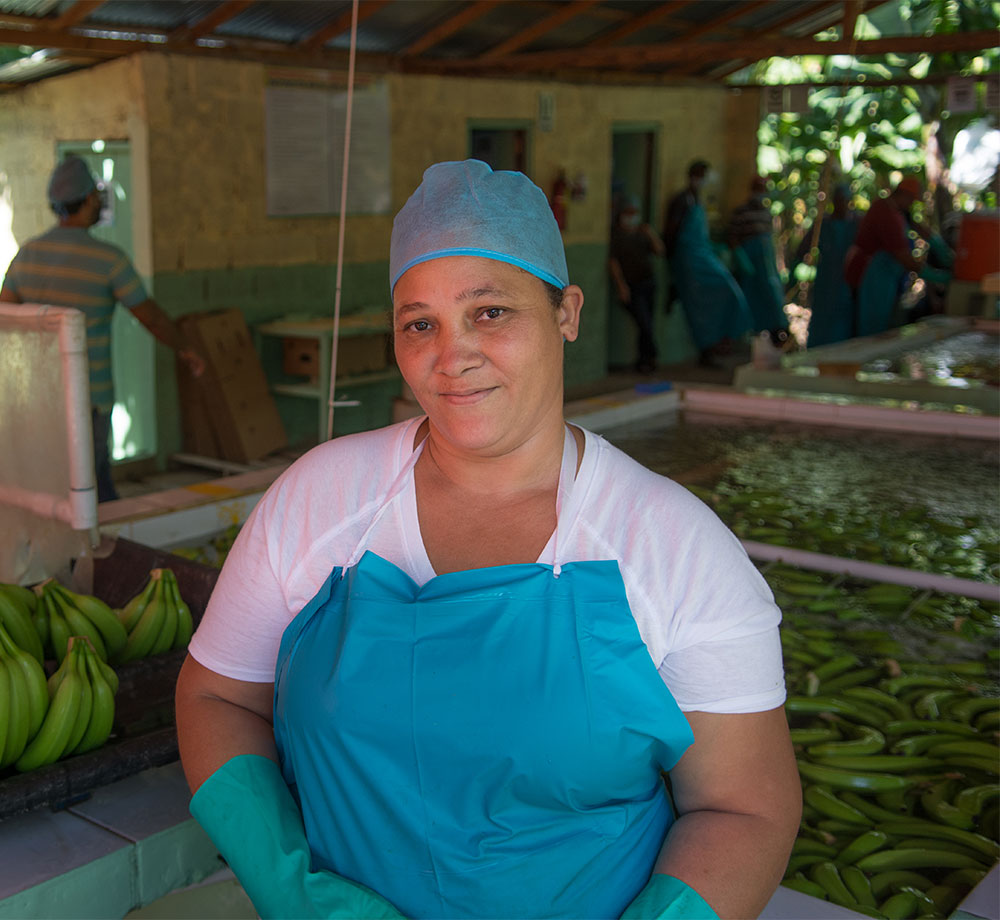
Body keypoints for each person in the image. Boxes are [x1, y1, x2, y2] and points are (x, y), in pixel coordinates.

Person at [175, 159, 800, 920]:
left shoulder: (674, 549)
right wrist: (294, 890)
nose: (452, 355)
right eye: (420, 323)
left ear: (566, 312)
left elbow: (744, 808)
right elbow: (214, 695)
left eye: (490, 311)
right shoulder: (320, 499)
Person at [0, 155, 204, 501]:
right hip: (88, 397)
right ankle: (103, 551)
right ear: (90, 200)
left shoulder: (27, 255)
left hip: (38, 397)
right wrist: (185, 347)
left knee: (50, 484)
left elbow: (6, 316)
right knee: (92, 485)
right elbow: (150, 316)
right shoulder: (108, 259)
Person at [664, 160, 752, 367]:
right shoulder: (681, 200)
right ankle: (706, 349)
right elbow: (672, 233)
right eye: (699, 175)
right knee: (697, 306)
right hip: (687, 260)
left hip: (703, 256)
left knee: (729, 291)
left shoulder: (697, 200)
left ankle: (720, 342)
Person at [843, 176, 937, 337]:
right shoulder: (885, 213)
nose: (911, 205)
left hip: (884, 280)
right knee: (871, 330)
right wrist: (934, 275)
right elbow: (901, 255)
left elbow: (918, 228)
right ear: (903, 195)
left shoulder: (896, 212)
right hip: (871, 278)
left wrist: (936, 242)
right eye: (911, 201)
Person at [788, 184, 859, 349]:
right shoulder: (823, 224)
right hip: (826, 280)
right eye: (839, 200)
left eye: (845, 200)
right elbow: (801, 250)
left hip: (846, 281)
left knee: (843, 320)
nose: (842, 204)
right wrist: (794, 275)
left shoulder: (855, 223)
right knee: (823, 320)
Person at [727, 175, 791, 349]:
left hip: (766, 265)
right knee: (749, 298)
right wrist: (741, 258)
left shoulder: (766, 212)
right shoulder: (741, 212)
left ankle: (777, 334)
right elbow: (733, 238)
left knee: (772, 296)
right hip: (749, 264)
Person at [609, 195, 665, 373]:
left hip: (648, 283)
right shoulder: (617, 236)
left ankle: (645, 360)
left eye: (634, 213)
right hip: (632, 286)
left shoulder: (642, 233)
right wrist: (621, 286)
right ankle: (652, 355)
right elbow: (613, 263)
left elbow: (660, 251)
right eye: (628, 213)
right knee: (644, 322)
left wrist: (651, 233)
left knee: (647, 323)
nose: (631, 216)